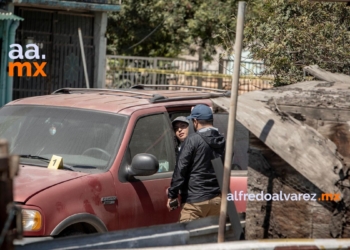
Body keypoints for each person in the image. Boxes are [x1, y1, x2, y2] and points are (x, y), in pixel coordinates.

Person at [167, 104, 226, 222]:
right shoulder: (222, 141)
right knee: (211, 237)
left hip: (194, 203)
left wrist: (172, 194)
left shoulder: (192, 140)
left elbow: (181, 169)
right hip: (217, 201)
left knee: (189, 238)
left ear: (195, 121)